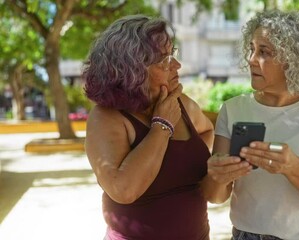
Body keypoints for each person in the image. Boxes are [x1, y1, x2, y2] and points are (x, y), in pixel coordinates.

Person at [201, 10, 299, 240]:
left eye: (264, 52)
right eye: (251, 49)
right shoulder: (232, 109)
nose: (251, 59)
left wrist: (292, 167)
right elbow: (216, 196)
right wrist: (216, 176)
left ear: (293, 59)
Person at [82, 14, 214, 240]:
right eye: (164, 60)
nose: (177, 65)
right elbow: (123, 190)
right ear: (132, 70)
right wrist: (161, 126)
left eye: (173, 53)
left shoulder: (182, 104)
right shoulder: (106, 117)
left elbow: (207, 130)